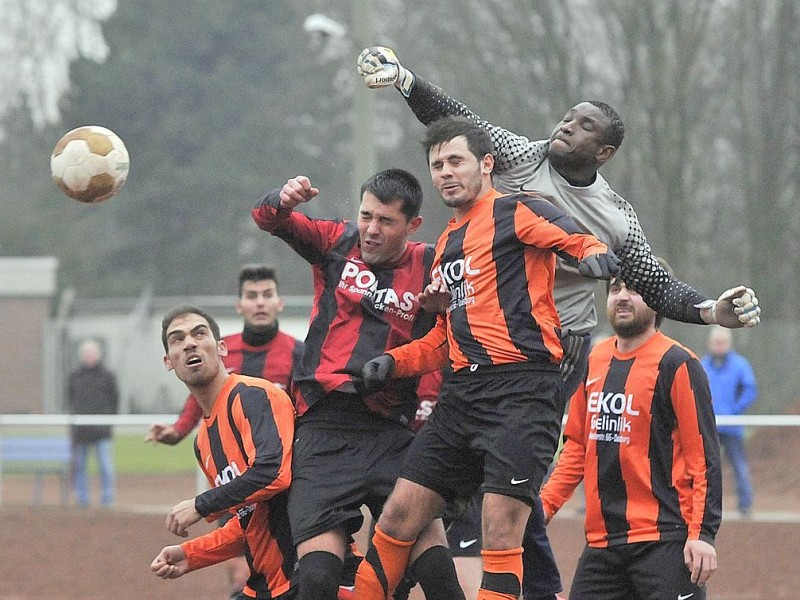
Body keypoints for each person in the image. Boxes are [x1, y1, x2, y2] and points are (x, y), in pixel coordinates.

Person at [355, 45, 760, 600]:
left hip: (551, 350)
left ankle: (513, 567)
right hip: (478, 345)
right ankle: (532, 583)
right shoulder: (524, 158)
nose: (567, 126)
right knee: (492, 498)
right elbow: (462, 129)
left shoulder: (614, 216)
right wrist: (404, 79)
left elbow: (651, 281)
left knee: (503, 504)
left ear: (606, 150)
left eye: (584, 124)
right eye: (568, 116)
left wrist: (712, 310)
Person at [352, 116, 620, 600]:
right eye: (437, 165)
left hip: (523, 392)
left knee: (500, 532)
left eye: (456, 161)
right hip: (462, 396)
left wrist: (593, 251)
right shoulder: (446, 246)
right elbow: (442, 340)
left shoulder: (516, 210)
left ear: (487, 164)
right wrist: (393, 363)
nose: (445, 173)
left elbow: (573, 235)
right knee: (397, 515)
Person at [251, 168, 465, 600]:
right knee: (316, 580)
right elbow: (265, 217)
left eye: (385, 221)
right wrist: (283, 197)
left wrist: (447, 309)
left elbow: (459, 334)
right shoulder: (336, 241)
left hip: (392, 432)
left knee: (439, 575)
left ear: (413, 226)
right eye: (366, 215)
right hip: (323, 429)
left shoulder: (433, 263)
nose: (370, 229)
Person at [539, 261, 722, 599]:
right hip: (602, 545)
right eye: (615, 288)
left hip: (665, 541)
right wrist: (544, 507)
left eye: (635, 289)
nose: (622, 297)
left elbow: (703, 459)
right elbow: (577, 448)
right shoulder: (592, 360)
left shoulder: (678, 363)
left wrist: (703, 534)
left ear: (660, 300)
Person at [146, 264, 303, 598]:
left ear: (220, 348)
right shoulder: (204, 442)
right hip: (266, 582)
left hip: (304, 572)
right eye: (178, 339)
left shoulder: (257, 393)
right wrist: (191, 554)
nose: (190, 344)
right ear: (168, 361)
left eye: (199, 334)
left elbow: (275, 473)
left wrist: (202, 504)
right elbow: (247, 521)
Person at [147, 264, 303, 445]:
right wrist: (178, 430)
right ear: (239, 305)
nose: (260, 302)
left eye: (267, 295)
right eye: (252, 296)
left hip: (281, 457)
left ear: (280, 303)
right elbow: (201, 392)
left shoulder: (299, 353)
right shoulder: (217, 348)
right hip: (229, 458)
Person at [701, 326, 758, 517]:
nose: (718, 346)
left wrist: (735, 410)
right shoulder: (702, 365)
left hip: (732, 426)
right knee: (704, 467)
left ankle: (745, 504)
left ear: (729, 343)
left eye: (722, 342)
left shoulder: (740, 365)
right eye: (716, 342)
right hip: (709, 426)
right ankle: (704, 507)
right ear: (710, 343)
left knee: (739, 465)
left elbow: (750, 390)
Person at [67, 339, 119, 508]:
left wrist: (108, 422)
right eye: (86, 354)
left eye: (92, 353)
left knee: (105, 466)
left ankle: (107, 498)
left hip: (102, 431)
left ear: (98, 355)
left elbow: (114, 400)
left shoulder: (108, 375)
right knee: (80, 467)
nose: (89, 357)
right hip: (80, 431)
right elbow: (70, 399)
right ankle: (82, 499)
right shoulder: (74, 376)